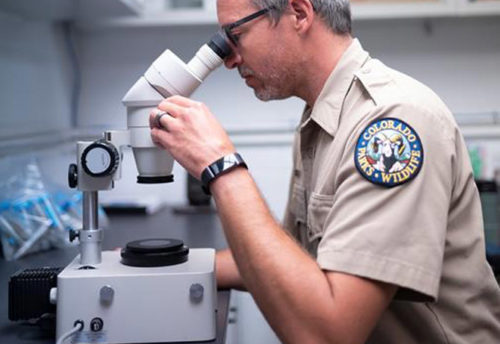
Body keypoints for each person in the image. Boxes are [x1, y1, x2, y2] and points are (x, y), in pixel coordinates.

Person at [150, 0, 500, 342]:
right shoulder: (320, 120)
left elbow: (327, 334)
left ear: (299, 13)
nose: (229, 59)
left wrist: (221, 166)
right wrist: (166, 264)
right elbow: (291, 263)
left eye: (235, 35)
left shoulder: (390, 125)